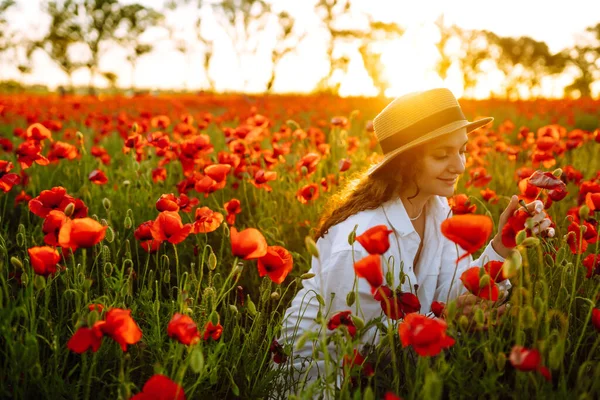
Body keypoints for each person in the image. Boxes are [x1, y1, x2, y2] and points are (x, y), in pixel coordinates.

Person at [277, 88, 552, 393]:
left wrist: (504, 243)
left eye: (461, 150)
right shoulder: (359, 240)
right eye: (441, 154)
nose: (460, 166)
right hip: (322, 381)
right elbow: (366, 345)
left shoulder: (437, 210)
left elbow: (451, 291)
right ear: (405, 162)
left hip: (395, 376)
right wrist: (449, 320)